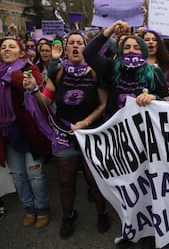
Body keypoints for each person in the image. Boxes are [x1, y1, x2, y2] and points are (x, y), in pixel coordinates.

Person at [83, 20, 169, 249]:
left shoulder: (155, 73)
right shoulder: (112, 69)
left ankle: (150, 234)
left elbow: (165, 102)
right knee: (126, 187)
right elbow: (88, 53)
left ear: (143, 51)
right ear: (120, 52)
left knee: (147, 186)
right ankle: (130, 230)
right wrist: (110, 30)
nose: (132, 51)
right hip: (118, 139)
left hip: (145, 140)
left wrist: (155, 99)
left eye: (136, 47)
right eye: (127, 48)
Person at [23, 31, 110, 239]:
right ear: (65, 47)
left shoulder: (96, 71)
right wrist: (35, 90)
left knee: (94, 179)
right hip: (64, 132)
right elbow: (47, 102)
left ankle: (102, 212)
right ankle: (68, 216)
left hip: (91, 132)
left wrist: (86, 122)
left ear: (85, 46)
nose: (75, 46)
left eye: (80, 43)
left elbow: (103, 104)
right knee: (65, 179)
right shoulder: (58, 72)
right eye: (71, 42)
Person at [0, 37, 51, 228]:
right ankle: (29, 209)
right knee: (18, 176)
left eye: (11, 46)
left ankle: (42, 208)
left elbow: (31, 86)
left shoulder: (31, 69)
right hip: (9, 135)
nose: (6, 49)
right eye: (3, 47)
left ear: (21, 53)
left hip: (30, 133)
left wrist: (13, 74)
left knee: (35, 175)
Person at [142, 29, 169, 95]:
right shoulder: (136, 62)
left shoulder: (166, 63)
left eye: (154, 40)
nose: (151, 42)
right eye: (147, 40)